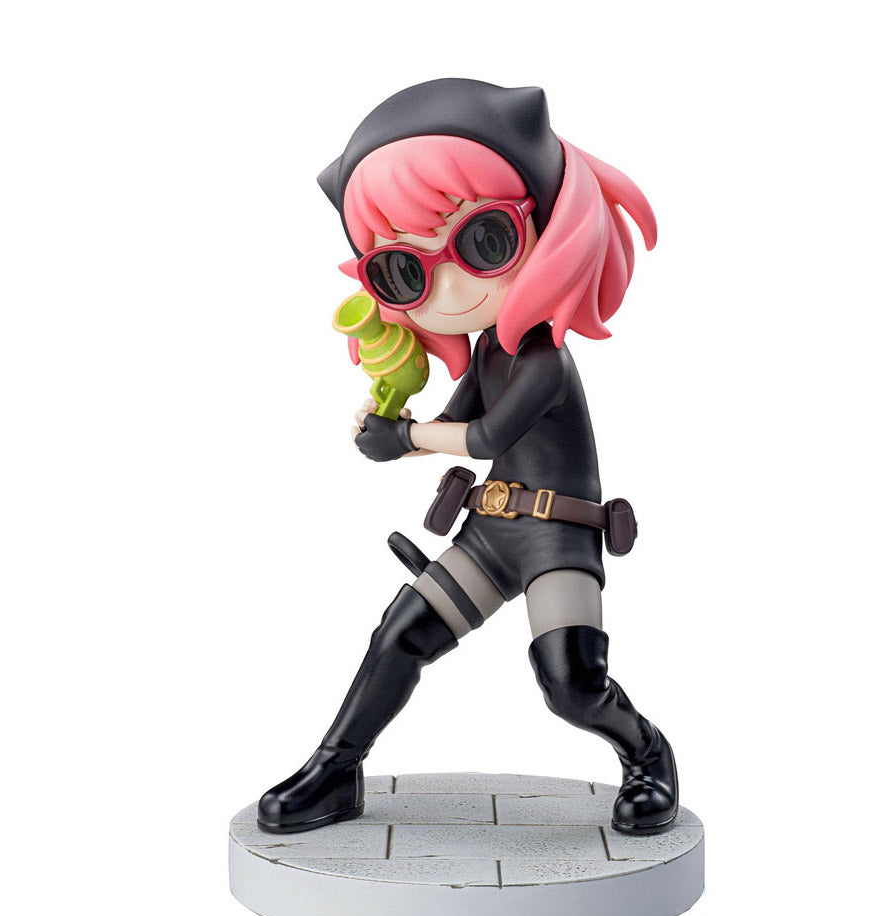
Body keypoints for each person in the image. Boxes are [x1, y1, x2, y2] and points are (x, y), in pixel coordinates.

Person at [257, 78, 678, 836]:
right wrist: (390, 427)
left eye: (485, 242)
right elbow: (454, 421)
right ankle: (336, 768)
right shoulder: (490, 352)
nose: (447, 289)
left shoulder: (543, 360)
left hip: (557, 535)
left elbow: (483, 438)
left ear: (548, 226)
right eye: (404, 269)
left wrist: (408, 439)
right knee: (400, 634)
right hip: (494, 532)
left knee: (570, 684)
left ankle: (648, 754)